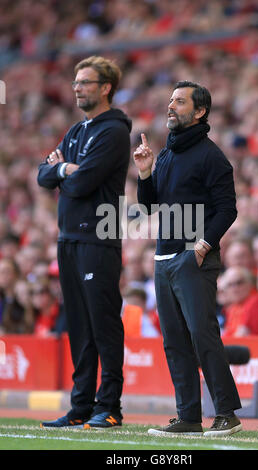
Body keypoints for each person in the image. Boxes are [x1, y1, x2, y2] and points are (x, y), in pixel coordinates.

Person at [133, 80, 242, 437]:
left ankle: (226, 413)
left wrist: (203, 245)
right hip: (163, 257)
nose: (170, 106)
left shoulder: (212, 156)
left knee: (202, 334)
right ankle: (189, 416)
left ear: (199, 111)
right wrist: (146, 172)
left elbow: (228, 209)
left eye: (179, 102)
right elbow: (150, 206)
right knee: (175, 340)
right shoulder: (164, 153)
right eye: (170, 101)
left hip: (193, 258)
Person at [38, 56, 131, 428]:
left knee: (103, 324)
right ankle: (80, 406)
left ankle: (109, 405)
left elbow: (82, 183)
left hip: (98, 237)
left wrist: (64, 174)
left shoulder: (113, 132)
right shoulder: (77, 131)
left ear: (105, 87)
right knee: (78, 324)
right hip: (69, 238)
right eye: (75, 82)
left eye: (85, 82)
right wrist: (62, 169)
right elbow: (44, 175)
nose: (77, 87)